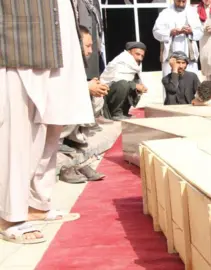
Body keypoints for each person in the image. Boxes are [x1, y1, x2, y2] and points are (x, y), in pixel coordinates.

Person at [0, 0, 93, 244]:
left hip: (58, 35)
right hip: (20, 35)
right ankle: (9, 214)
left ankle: (36, 202)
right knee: (17, 129)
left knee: (55, 121)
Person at [58, 26, 107, 184]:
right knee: (78, 100)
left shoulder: (76, 63)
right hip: (50, 115)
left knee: (97, 98)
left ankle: (74, 145)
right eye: (88, 45)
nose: (91, 50)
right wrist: (86, 87)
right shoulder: (60, 60)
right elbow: (57, 87)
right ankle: (62, 154)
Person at [153, 0, 203, 76]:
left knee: (189, 81)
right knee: (171, 82)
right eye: (178, 1)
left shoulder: (192, 13)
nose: (181, 4)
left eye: (183, 1)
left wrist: (191, 31)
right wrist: (170, 32)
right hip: (170, 54)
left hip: (189, 54)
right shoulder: (165, 13)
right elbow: (156, 32)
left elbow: (200, 32)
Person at [100, 42, 148, 120]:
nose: (140, 58)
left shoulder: (133, 66)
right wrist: (135, 85)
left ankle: (123, 112)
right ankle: (115, 113)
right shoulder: (121, 61)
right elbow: (116, 83)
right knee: (123, 85)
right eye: (137, 54)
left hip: (115, 95)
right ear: (129, 52)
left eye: (142, 56)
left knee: (132, 87)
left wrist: (140, 87)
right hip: (105, 98)